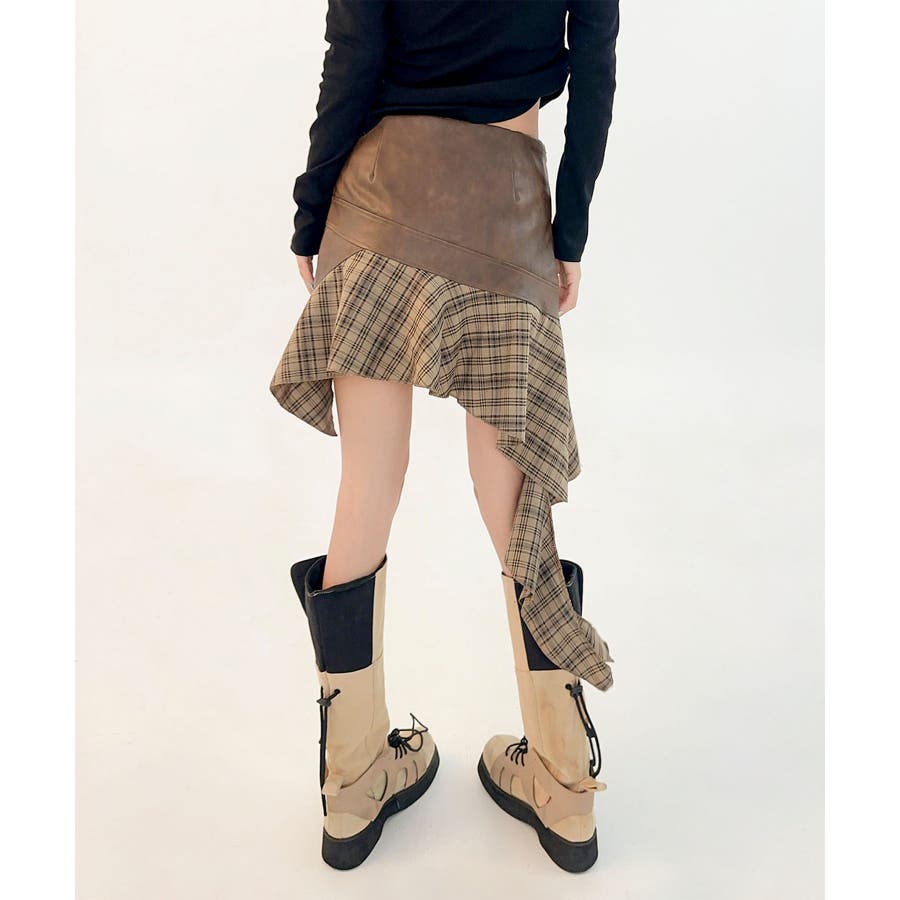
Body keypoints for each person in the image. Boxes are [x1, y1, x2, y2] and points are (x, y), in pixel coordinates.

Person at [269, 0, 620, 873]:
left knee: (368, 481)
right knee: (512, 496)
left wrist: (312, 209)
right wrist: (568, 232)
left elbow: (352, 56)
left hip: (378, 196)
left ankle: (352, 785)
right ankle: (564, 784)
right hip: (504, 209)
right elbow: (597, 66)